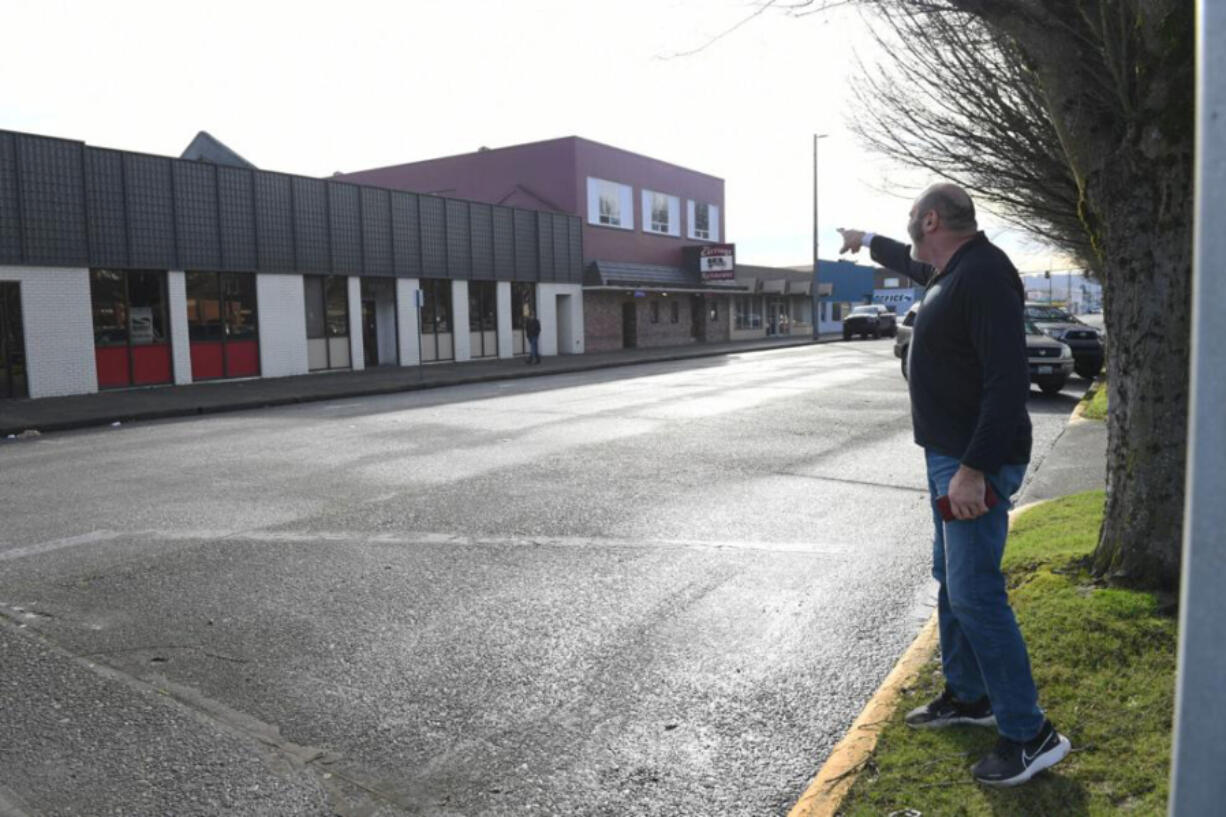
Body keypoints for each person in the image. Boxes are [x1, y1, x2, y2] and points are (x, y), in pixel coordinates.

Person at [838, 183, 1071, 788]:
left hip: (972, 461)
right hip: (949, 456)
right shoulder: (954, 268)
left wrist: (974, 468)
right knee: (952, 581)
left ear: (932, 218)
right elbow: (912, 263)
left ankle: (1030, 734)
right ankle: (970, 697)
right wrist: (867, 242)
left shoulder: (985, 274)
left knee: (974, 592)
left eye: (910, 219)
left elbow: (1006, 379)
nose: (909, 227)